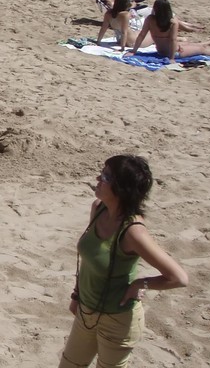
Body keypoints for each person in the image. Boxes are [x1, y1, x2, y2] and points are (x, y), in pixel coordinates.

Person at [59, 155, 189, 368]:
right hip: (86, 312)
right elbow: (89, 262)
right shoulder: (98, 208)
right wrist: (77, 295)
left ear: (121, 189)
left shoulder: (133, 232)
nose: (98, 177)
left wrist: (141, 283)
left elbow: (179, 278)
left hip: (117, 321)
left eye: (107, 177)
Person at [131, 0, 210, 62]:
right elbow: (173, 40)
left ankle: (204, 43)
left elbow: (142, 35)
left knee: (189, 44)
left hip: (161, 50)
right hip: (173, 52)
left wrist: (134, 51)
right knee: (201, 50)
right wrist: (171, 58)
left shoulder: (150, 19)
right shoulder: (172, 22)